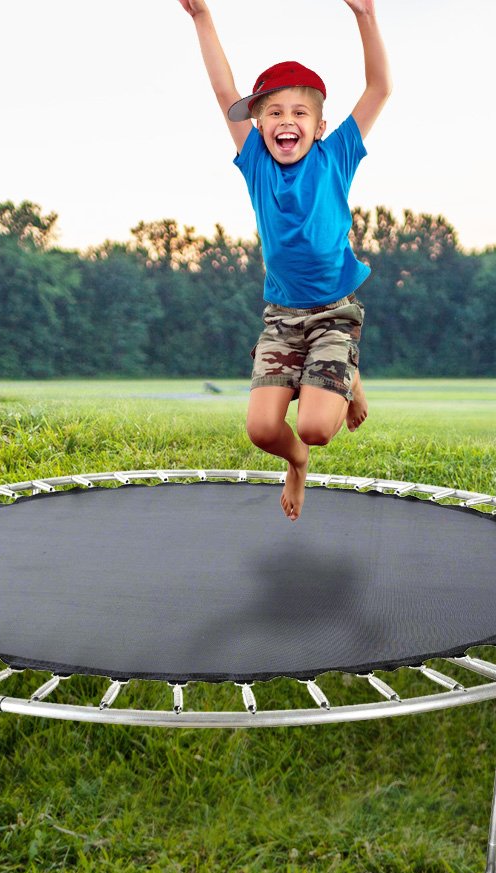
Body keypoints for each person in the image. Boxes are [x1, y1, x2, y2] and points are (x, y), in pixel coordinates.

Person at [176, 0, 392, 521]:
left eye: (299, 112)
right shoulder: (255, 162)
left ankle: (345, 367)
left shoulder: (336, 153)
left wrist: (365, 15)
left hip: (335, 311)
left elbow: (379, 88)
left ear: (319, 126)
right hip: (282, 317)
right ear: (258, 123)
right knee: (263, 431)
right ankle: (297, 463)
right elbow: (223, 90)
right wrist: (203, 18)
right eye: (274, 112)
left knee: (319, 427)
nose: (286, 121)